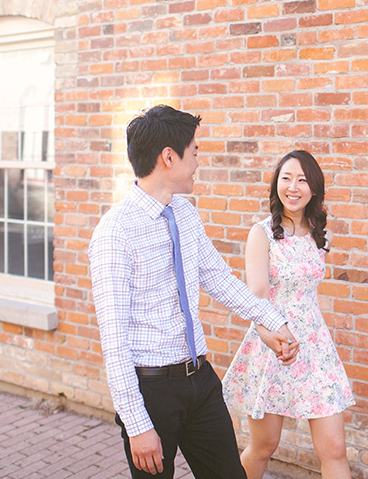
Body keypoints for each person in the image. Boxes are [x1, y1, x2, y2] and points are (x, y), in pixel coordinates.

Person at [88, 105, 299, 479]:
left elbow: (218, 278)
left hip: (199, 381)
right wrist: (137, 424)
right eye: (195, 151)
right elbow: (114, 341)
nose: (198, 161)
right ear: (169, 157)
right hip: (151, 391)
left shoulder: (184, 213)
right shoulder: (114, 233)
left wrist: (272, 320)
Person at [222, 150, 355, 479]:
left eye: (302, 180)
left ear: (314, 189)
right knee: (265, 446)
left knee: (335, 448)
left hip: (315, 347)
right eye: (286, 178)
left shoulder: (319, 232)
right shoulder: (262, 233)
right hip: (273, 345)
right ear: (276, 184)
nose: (293, 187)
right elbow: (257, 297)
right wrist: (275, 336)